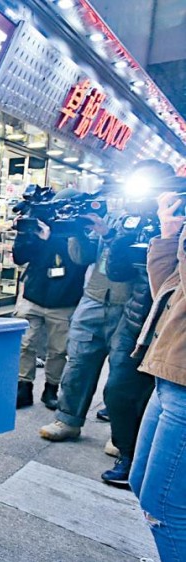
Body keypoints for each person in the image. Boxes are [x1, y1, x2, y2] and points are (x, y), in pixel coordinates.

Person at [105, 188, 186, 562]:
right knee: (140, 481)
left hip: (183, 385)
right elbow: (168, 293)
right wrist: (169, 236)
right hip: (168, 372)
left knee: (164, 503)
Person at [98, 161, 175, 487]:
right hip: (136, 323)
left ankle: (145, 463)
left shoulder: (175, 225)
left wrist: (171, 233)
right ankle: (127, 453)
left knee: (158, 403)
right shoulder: (138, 222)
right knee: (117, 392)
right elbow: (116, 273)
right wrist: (122, 236)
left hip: (171, 329)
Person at [39, 198, 132, 441]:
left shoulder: (154, 221)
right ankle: (68, 419)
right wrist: (77, 232)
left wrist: (109, 234)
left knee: (123, 373)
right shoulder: (108, 213)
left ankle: (120, 435)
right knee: (78, 363)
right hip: (94, 296)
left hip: (130, 301)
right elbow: (83, 257)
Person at [12, 189, 89, 409]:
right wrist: (25, 233)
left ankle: (51, 389)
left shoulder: (80, 227)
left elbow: (80, 258)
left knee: (58, 350)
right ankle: (23, 387)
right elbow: (20, 257)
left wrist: (50, 239)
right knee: (25, 344)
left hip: (65, 299)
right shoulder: (38, 222)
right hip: (33, 294)